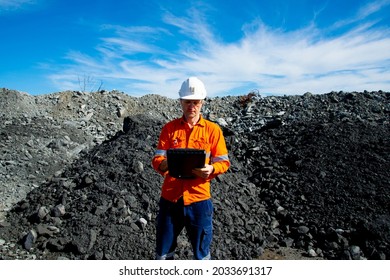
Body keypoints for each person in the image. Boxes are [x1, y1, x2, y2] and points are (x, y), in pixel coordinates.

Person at [151, 77, 230, 260]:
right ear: (181, 102)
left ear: (202, 102)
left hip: (199, 199)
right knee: (163, 254)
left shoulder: (213, 130)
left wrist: (211, 169)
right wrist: (167, 163)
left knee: (201, 255)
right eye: (188, 102)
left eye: (195, 102)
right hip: (171, 199)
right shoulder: (169, 129)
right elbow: (157, 160)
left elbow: (224, 161)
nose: (191, 106)